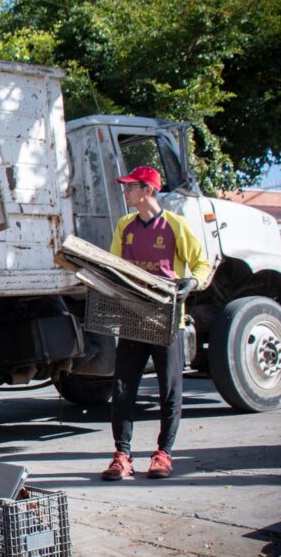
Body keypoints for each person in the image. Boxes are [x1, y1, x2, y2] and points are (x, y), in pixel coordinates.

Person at [101, 166, 211, 481]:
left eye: (130, 187)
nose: (125, 192)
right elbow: (115, 266)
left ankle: (164, 453)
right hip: (133, 317)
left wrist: (192, 282)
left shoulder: (176, 225)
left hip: (167, 320)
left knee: (169, 389)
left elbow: (202, 264)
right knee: (122, 389)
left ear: (147, 190)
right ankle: (122, 455)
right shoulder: (125, 225)